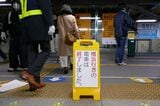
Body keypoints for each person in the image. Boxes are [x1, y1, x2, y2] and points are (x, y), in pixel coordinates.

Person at [18, 0, 55, 91]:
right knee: (46, 50)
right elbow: (45, 6)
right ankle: (29, 73)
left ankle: (34, 83)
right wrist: (50, 24)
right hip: (40, 23)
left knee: (32, 50)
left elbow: (20, 12)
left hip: (26, 25)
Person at [1, 0, 28, 72]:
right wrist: (3, 32)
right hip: (13, 36)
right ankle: (13, 65)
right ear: (12, 5)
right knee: (12, 51)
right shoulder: (9, 14)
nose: (16, 5)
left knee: (23, 51)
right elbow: (5, 24)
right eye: (14, 4)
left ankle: (24, 65)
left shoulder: (24, 13)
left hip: (23, 36)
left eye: (17, 4)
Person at [57, 4, 79, 74]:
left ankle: (65, 66)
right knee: (72, 52)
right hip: (71, 37)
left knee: (63, 53)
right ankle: (72, 64)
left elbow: (59, 28)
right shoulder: (72, 17)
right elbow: (76, 28)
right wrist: (78, 37)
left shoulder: (59, 17)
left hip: (62, 38)